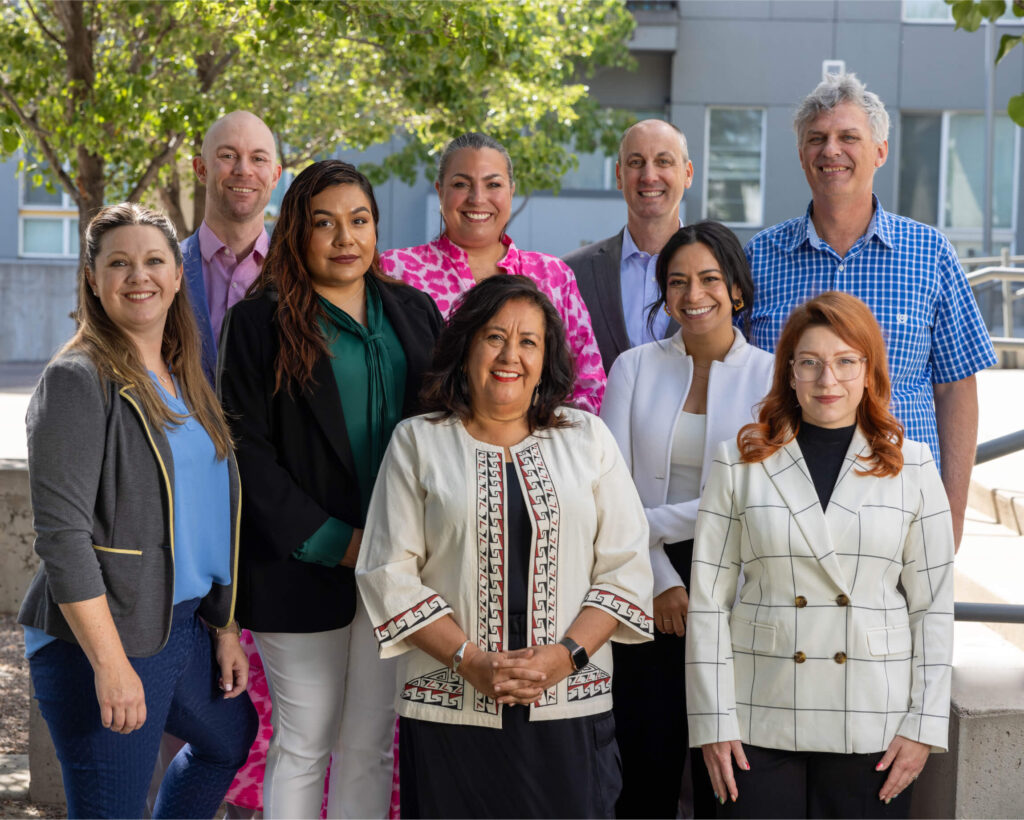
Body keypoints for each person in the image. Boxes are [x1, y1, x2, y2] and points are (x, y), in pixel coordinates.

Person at [356, 274, 655, 818]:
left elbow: (626, 569)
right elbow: (387, 572)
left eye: (528, 341)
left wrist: (565, 658)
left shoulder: (587, 439)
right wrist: (470, 661)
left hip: (570, 703)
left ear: (546, 359)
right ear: (466, 345)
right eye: (494, 337)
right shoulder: (418, 441)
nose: (509, 355)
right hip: (450, 706)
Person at [218, 159, 443, 818]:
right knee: (305, 740)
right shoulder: (260, 322)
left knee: (370, 744)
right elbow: (246, 455)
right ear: (296, 233)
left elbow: (443, 433)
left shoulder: (414, 311)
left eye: (360, 220)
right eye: (325, 224)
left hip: (396, 569)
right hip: (301, 565)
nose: (346, 238)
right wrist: (341, 545)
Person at [17, 202, 257, 818]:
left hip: (181, 625)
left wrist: (224, 625)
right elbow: (63, 538)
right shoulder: (77, 379)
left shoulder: (185, 378)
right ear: (93, 281)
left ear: (178, 275)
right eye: (118, 263)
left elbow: (207, 514)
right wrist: (110, 664)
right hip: (105, 633)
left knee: (228, 741)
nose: (138, 276)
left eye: (153, 261)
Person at [686, 291, 955, 819]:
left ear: (869, 371)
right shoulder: (739, 463)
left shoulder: (915, 468)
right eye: (809, 363)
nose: (827, 380)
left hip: (873, 714)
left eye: (845, 362)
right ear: (789, 373)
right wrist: (713, 721)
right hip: (757, 712)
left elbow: (934, 607)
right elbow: (708, 603)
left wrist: (923, 725)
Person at [744, 72, 996, 549]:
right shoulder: (759, 258)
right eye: (816, 139)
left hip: (903, 510)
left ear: (880, 151)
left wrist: (952, 521)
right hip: (784, 514)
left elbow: (957, 389)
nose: (830, 150)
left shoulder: (930, 254)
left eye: (848, 137)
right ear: (801, 157)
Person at [600, 221, 774, 819]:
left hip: (739, 584)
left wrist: (653, 534)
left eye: (708, 279)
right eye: (676, 281)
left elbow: (754, 500)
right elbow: (608, 496)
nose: (692, 293)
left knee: (725, 776)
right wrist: (663, 581)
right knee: (643, 768)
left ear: (737, 291)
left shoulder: (774, 379)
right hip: (640, 584)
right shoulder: (633, 368)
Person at [381, 131, 606, 413]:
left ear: (511, 192)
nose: (477, 198)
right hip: (426, 447)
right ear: (440, 192)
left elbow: (591, 386)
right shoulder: (395, 270)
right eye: (462, 184)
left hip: (537, 448)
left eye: (493, 185)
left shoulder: (553, 275)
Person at [564, 119, 694, 372]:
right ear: (619, 175)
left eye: (663, 162)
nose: (649, 176)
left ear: (687, 173)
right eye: (636, 163)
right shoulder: (572, 273)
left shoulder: (721, 273)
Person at [184, 110, 282, 382]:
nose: (243, 170)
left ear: (275, 177)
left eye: (258, 158)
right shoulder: (165, 270)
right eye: (227, 156)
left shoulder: (300, 276)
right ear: (201, 169)